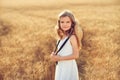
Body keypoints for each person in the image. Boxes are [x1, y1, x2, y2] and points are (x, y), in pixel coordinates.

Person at [50, 10, 83, 80]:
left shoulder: (72, 37)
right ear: (59, 23)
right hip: (61, 66)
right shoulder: (61, 36)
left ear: (72, 23)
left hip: (68, 66)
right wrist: (54, 55)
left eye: (68, 22)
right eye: (62, 22)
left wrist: (59, 58)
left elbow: (76, 55)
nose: (65, 24)